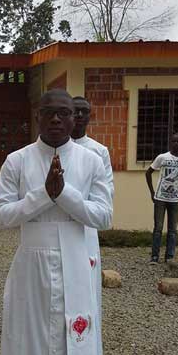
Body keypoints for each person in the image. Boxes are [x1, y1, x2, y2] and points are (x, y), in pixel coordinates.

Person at [0, 88, 112, 355]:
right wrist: (44, 195)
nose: (57, 119)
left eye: (65, 113)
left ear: (75, 118)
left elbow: (104, 216)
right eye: (50, 113)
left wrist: (67, 195)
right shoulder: (18, 160)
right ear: (38, 116)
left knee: (73, 346)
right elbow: (1, 216)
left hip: (76, 262)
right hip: (32, 265)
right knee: (29, 350)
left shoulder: (91, 161)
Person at [72, 96, 114, 318]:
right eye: (75, 111)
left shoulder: (99, 151)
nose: (79, 115)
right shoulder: (54, 148)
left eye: (84, 111)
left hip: (87, 224)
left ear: (90, 116)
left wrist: (79, 205)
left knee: (86, 284)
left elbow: (107, 190)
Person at [146, 133, 178, 263]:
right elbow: (148, 173)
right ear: (170, 142)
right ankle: (154, 256)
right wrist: (152, 192)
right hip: (160, 198)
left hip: (175, 201)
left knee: (172, 230)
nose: (176, 143)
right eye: (174, 141)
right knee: (158, 228)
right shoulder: (162, 157)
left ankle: (169, 257)